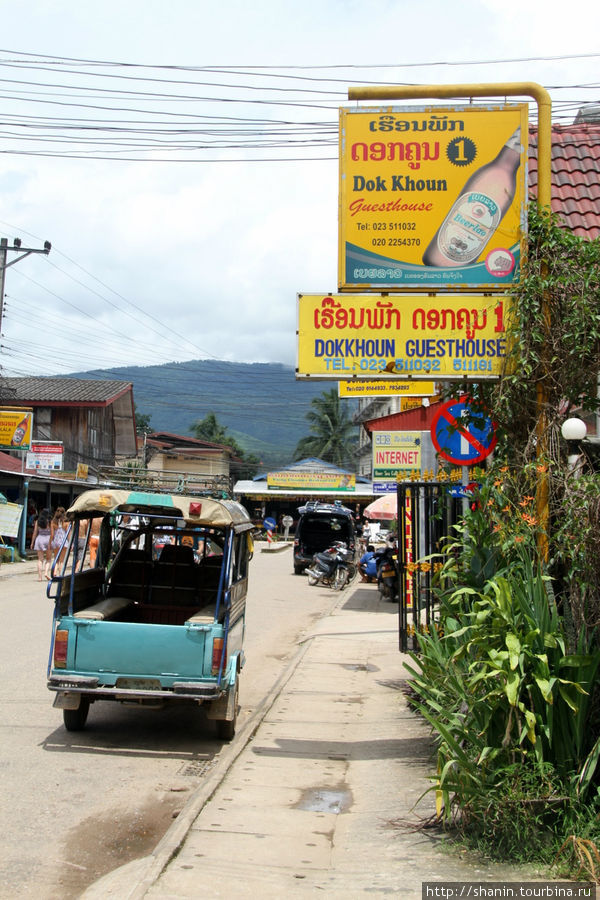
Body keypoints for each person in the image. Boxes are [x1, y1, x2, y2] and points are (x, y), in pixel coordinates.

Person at [31, 509, 52, 581]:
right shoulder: (49, 522)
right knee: (48, 559)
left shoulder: (37, 522)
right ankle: (46, 573)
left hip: (39, 539)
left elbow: (35, 533)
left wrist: (32, 542)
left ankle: (40, 577)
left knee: (40, 559)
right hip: (48, 540)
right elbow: (52, 533)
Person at [50, 507, 68, 573]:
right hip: (64, 542)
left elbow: (52, 534)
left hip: (56, 541)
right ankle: (61, 573)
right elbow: (68, 533)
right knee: (62, 560)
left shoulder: (53, 522)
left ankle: (54, 572)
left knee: (56, 559)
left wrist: (50, 543)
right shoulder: (66, 522)